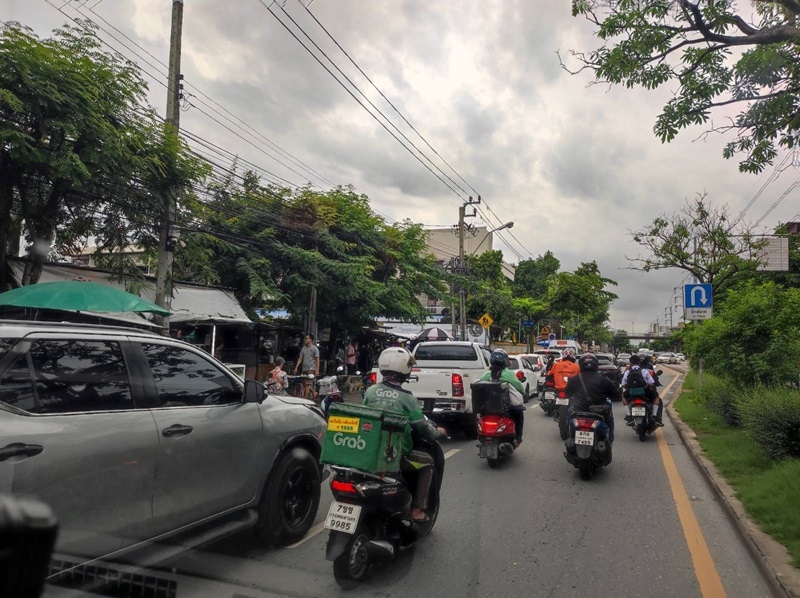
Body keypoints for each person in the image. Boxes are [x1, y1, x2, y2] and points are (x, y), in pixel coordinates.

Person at [363, 347, 446, 523]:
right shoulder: (407, 398)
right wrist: (437, 433)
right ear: (405, 370)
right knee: (428, 463)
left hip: (368, 452)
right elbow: (423, 428)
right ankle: (417, 509)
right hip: (395, 455)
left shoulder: (370, 392)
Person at [565, 353, 619, 442]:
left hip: (579, 409)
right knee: (609, 417)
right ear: (596, 365)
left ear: (581, 365)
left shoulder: (574, 379)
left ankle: (569, 436)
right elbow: (616, 395)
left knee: (569, 412)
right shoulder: (603, 378)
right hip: (599, 411)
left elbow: (567, 393)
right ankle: (610, 439)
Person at [479, 349, 526, 445]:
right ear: (505, 361)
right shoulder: (508, 373)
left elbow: (480, 384)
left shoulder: (486, 374)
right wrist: (523, 393)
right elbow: (519, 386)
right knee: (519, 415)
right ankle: (518, 437)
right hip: (507, 407)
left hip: (488, 407)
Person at [620, 354, 663, 426]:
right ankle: (654, 416)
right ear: (639, 363)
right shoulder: (644, 371)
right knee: (656, 397)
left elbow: (623, 384)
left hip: (631, 392)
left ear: (630, 363)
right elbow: (652, 383)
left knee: (623, 396)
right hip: (644, 392)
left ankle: (629, 415)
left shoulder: (627, 372)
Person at [294, 333, 320, 400]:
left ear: (310, 340)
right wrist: (296, 367)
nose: (305, 340)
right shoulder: (303, 349)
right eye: (305, 338)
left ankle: (305, 398)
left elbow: (317, 359)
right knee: (305, 384)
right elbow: (300, 358)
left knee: (307, 384)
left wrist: (317, 370)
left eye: (307, 338)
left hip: (311, 368)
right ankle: (314, 393)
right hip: (304, 369)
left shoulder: (315, 349)